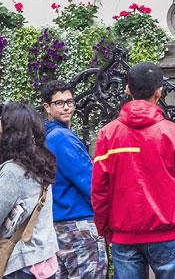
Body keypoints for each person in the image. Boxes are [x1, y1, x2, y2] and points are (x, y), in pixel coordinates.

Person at [91, 62, 175, 279]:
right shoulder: (174, 133)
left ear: (127, 89)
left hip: (124, 233)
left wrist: (104, 229)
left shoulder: (108, 134)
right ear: (159, 91)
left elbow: (99, 190)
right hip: (164, 232)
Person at [0, 103, 59, 279]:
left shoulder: (13, 171)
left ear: (12, 131)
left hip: (21, 264)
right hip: (44, 258)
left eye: (2, 121)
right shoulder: (41, 163)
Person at [40, 81, 107, 279]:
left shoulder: (46, 136)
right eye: (59, 103)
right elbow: (90, 183)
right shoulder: (62, 138)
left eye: (69, 101)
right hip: (78, 225)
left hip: (55, 225)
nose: (67, 107)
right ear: (47, 107)